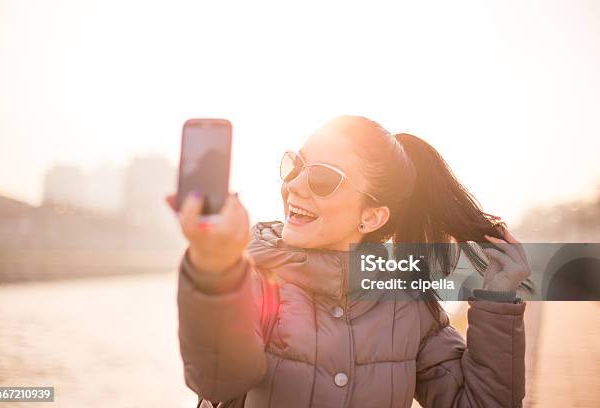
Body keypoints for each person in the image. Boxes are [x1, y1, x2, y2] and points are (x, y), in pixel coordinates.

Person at [166, 115, 530, 407]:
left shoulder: (406, 305)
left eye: (323, 178)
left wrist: (497, 301)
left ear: (372, 217)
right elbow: (217, 380)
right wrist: (213, 264)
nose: (294, 185)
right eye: (296, 165)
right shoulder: (251, 279)